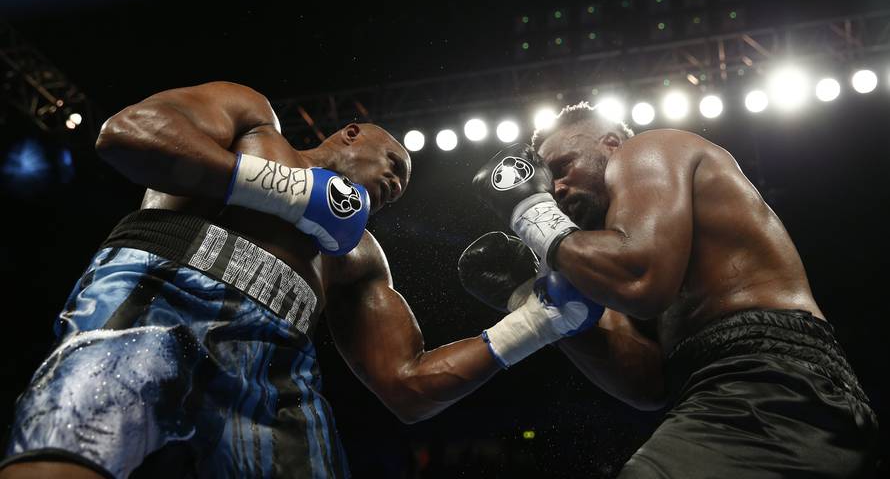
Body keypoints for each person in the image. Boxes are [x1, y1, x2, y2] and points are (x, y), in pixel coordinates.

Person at [0, 82, 598, 479]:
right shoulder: (253, 121)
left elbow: (407, 385)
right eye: (394, 163)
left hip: (269, 377)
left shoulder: (359, 255)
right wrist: (289, 190)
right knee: (66, 452)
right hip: (152, 306)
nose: (395, 183)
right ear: (351, 132)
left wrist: (537, 320)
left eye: (404, 185)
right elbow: (126, 134)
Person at [467, 101, 879, 477]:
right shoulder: (608, 254)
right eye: (544, 183)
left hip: (776, 385)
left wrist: (529, 211)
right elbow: (645, 385)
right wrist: (533, 297)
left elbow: (640, 280)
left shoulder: (649, 150)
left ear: (610, 144)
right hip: (729, 395)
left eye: (562, 166)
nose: (553, 190)